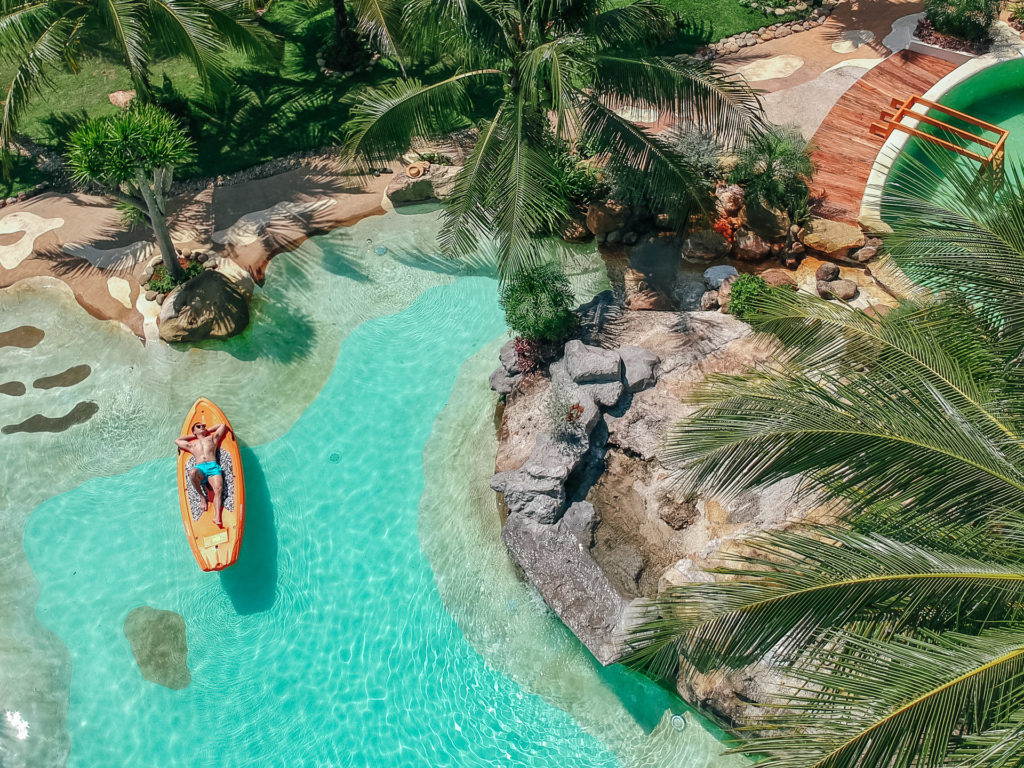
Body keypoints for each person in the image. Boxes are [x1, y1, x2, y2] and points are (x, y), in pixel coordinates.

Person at [175, 422, 230, 527]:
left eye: (204, 426)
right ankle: (202, 497)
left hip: (213, 467)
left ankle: (217, 516)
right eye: (199, 426)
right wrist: (195, 435)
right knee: (192, 472)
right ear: (194, 431)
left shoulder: (212, 439)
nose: (202, 427)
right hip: (200, 468)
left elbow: (222, 425)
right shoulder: (192, 444)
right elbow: (177, 441)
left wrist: (207, 431)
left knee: (218, 490)